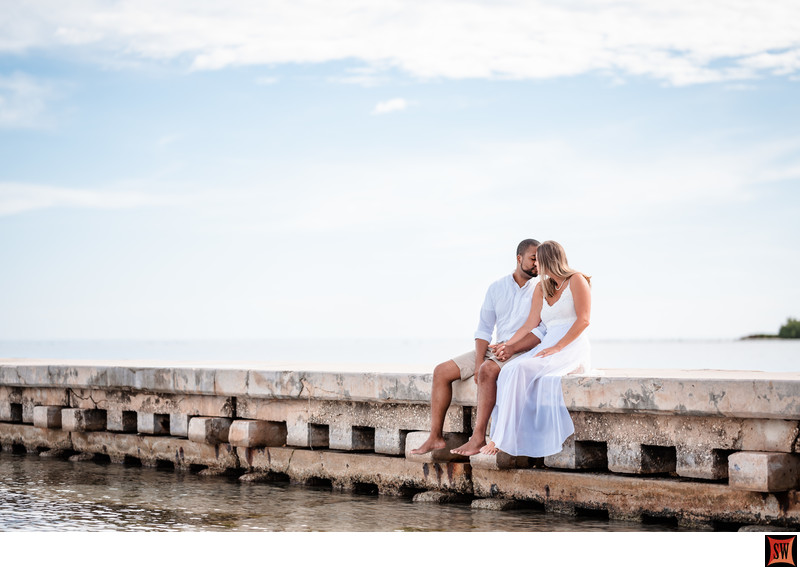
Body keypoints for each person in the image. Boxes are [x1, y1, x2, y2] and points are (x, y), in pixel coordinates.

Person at [409, 239, 546, 456]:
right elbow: (484, 328)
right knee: (441, 371)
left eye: (540, 261)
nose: (537, 265)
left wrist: (501, 353)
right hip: (495, 348)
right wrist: (479, 359)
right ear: (519, 258)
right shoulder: (496, 288)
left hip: (520, 349)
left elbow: (539, 330)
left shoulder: (541, 289)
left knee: (487, 370)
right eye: (532, 259)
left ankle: (478, 437)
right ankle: (435, 437)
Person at [482, 240, 591, 458]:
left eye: (537, 259)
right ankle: (502, 434)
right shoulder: (543, 287)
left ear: (548, 259)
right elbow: (529, 325)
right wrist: (508, 345)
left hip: (570, 344)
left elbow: (584, 320)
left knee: (523, 369)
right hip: (549, 342)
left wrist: (558, 347)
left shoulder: (576, 280)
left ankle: (501, 438)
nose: (535, 265)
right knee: (510, 370)